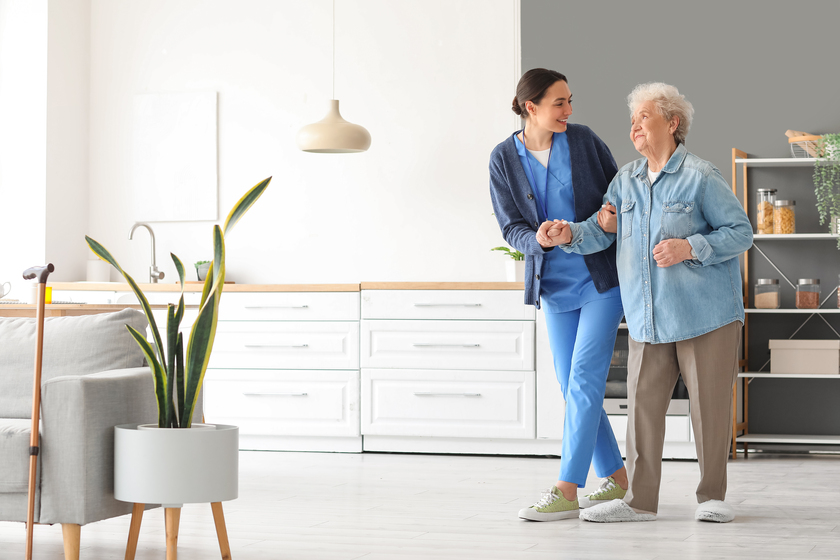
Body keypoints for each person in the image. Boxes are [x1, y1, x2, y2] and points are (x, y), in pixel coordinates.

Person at [548, 82, 753, 523]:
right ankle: (640, 502)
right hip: (647, 316)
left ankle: (712, 498)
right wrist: (568, 234)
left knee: (709, 410)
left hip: (706, 315)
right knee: (641, 411)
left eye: (644, 117)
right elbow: (601, 228)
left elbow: (741, 232)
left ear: (672, 123)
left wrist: (690, 246)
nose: (634, 126)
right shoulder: (627, 180)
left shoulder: (701, 175)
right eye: (632, 120)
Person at [489, 68, 628, 522]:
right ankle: (619, 481)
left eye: (570, 101)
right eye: (559, 103)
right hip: (553, 285)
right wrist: (541, 241)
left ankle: (566, 489)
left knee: (584, 379)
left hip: (601, 280)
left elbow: (619, 196)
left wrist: (603, 219)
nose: (569, 111)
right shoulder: (502, 159)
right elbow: (512, 227)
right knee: (572, 387)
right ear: (531, 107)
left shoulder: (584, 140)